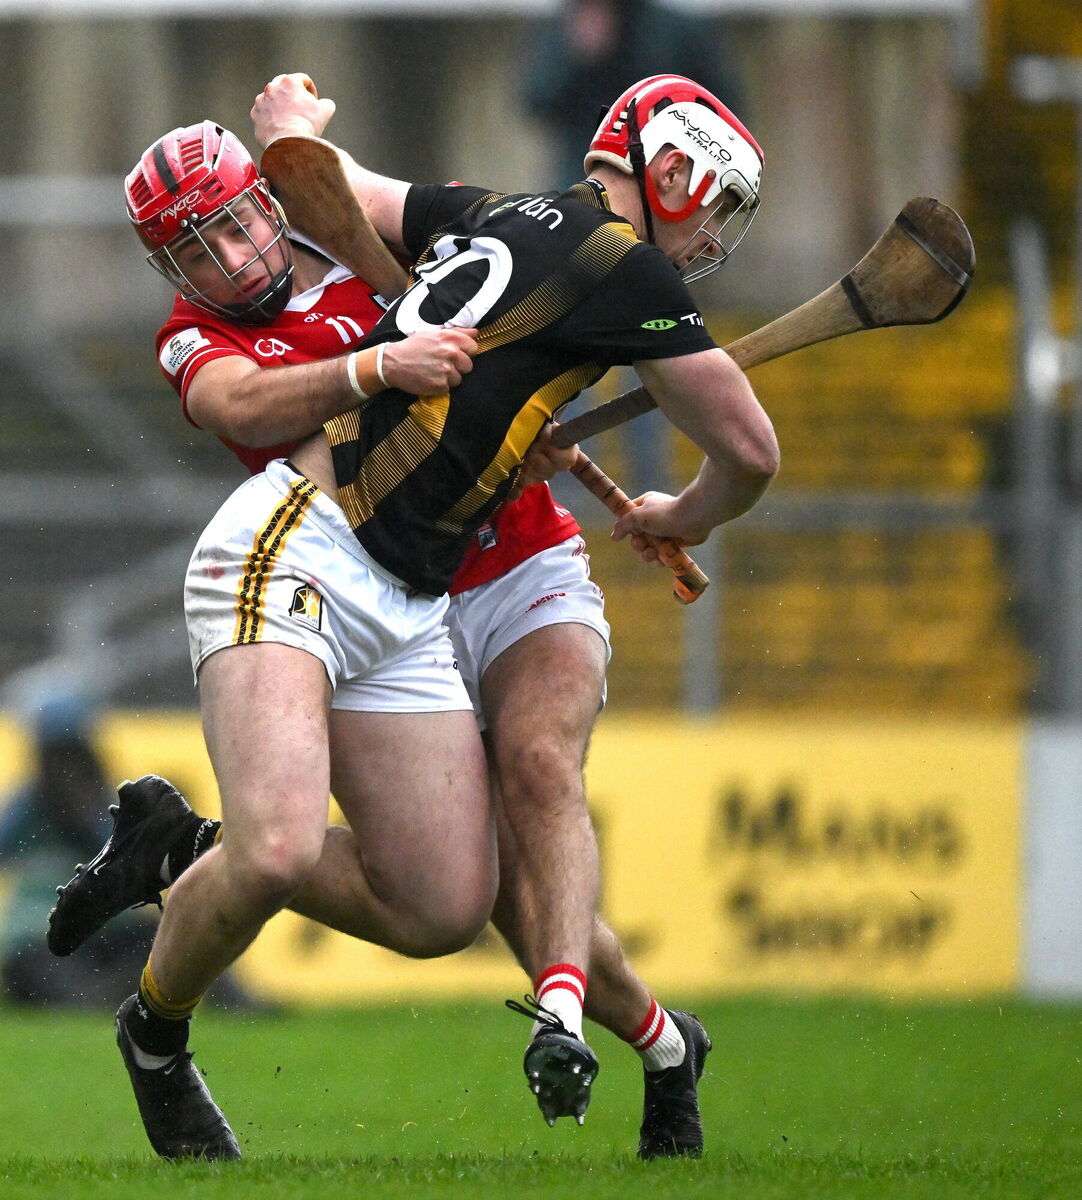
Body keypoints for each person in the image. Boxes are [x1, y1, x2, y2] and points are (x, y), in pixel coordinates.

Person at [52, 71, 778, 1160]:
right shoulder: (193, 336)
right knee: (284, 844)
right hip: (301, 548)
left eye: (244, 222)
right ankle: (157, 1036)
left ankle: (184, 852)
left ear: (269, 202)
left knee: (448, 902)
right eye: (198, 249)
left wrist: (518, 404)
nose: (234, 258)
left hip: (428, 583)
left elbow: (408, 250)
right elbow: (245, 403)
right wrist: (382, 363)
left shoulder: (412, 233)